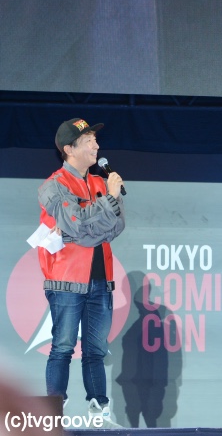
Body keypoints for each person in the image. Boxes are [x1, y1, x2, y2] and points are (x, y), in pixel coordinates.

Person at [37, 118, 126, 428]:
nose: (96, 146)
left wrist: (92, 223)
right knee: (62, 347)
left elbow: (116, 227)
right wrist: (107, 205)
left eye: (95, 140)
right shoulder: (53, 186)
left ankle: (99, 414)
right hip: (66, 280)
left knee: (96, 350)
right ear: (69, 149)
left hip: (101, 278)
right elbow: (73, 223)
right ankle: (53, 417)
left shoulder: (102, 183)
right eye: (89, 141)